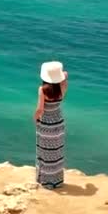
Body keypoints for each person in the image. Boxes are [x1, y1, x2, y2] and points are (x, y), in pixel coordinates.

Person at [34, 61, 68, 189]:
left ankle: (45, 180)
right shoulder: (62, 87)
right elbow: (66, 74)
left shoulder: (42, 90)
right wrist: (61, 75)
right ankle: (56, 181)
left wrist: (35, 118)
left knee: (44, 151)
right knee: (56, 151)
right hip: (58, 121)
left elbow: (40, 109)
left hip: (46, 123)